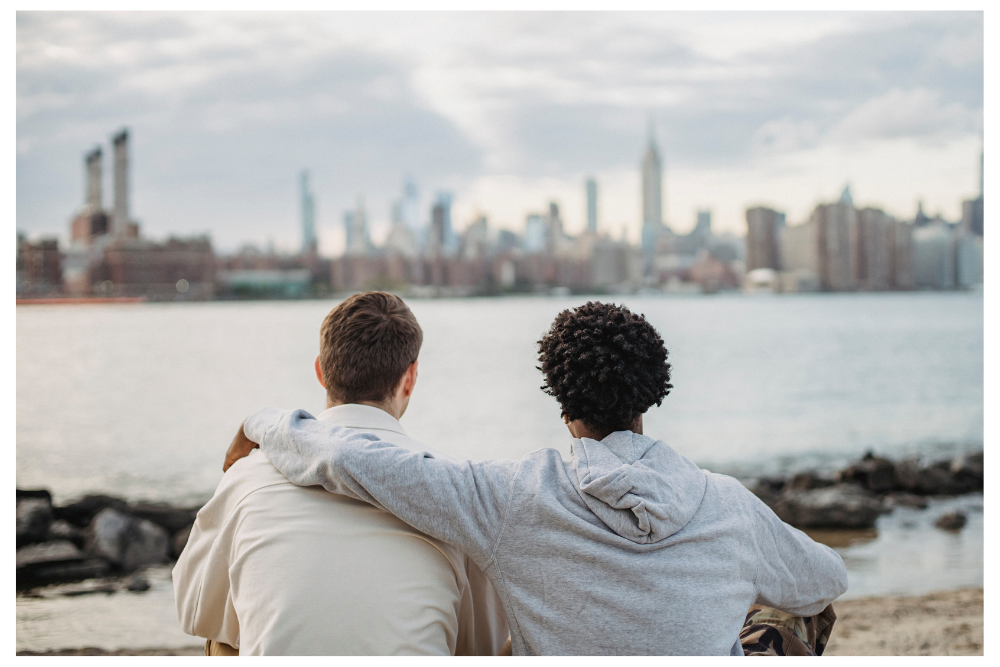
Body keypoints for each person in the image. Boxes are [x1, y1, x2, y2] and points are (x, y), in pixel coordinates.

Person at [230, 300, 848, 656]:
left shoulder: (508, 496)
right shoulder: (727, 505)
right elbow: (825, 582)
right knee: (798, 614)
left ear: (560, 398)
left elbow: (356, 461)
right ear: (650, 396)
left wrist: (266, 423)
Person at [174, 292, 508, 656]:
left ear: (320, 371)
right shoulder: (455, 491)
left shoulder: (249, 476)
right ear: (409, 378)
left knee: (222, 638)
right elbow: (480, 646)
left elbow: (192, 609)